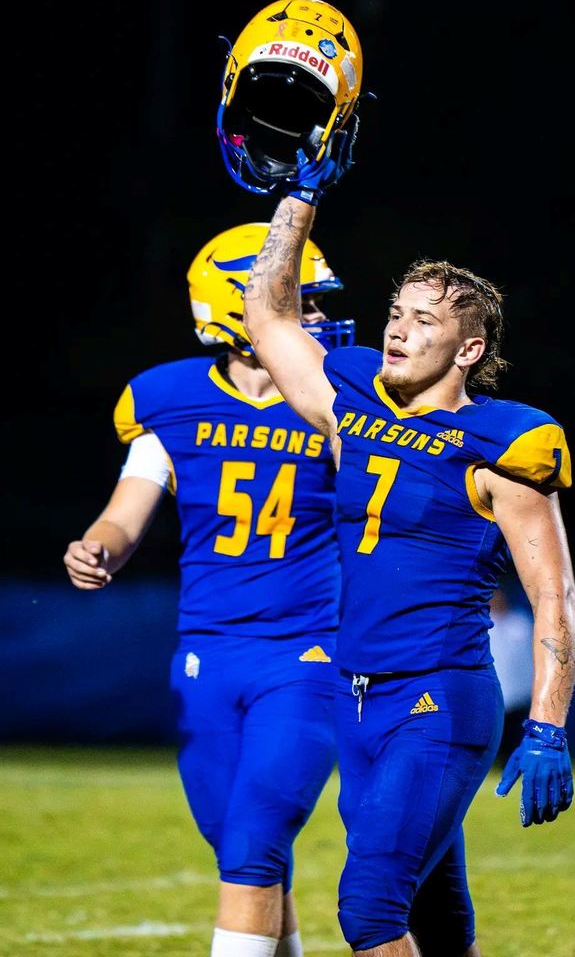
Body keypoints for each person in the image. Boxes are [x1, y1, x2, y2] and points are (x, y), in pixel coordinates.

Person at [236, 159, 575, 957]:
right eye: (395, 311)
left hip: (436, 701)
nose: (395, 328)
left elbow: (554, 594)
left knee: (367, 909)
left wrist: (548, 725)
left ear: (468, 349)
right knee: (435, 914)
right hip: (354, 698)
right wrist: (301, 194)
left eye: (422, 320)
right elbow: (267, 315)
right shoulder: (351, 404)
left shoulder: (501, 445)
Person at [63, 221, 356, 957]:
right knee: (239, 847)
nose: (318, 319)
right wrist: (97, 548)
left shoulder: (340, 396)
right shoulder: (170, 399)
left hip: (309, 650)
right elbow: (126, 510)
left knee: (257, 835)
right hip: (209, 653)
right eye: (303, 301)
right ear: (239, 307)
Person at [488, 584, 534, 764]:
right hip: (491, 694)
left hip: (517, 694)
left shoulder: (519, 623)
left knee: (514, 739)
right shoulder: (482, 625)